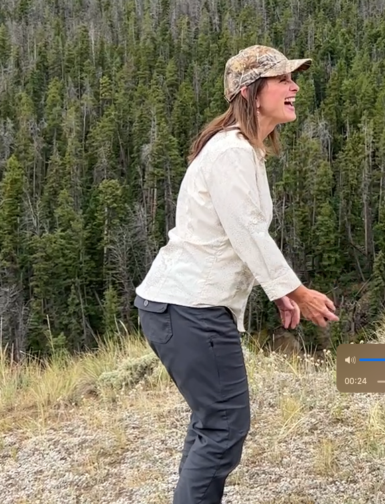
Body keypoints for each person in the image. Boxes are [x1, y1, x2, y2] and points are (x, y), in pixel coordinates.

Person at [133, 45, 340, 504]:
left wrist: (277, 294)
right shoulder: (231, 152)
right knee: (224, 425)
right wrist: (295, 291)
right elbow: (247, 232)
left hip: (183, 308)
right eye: (283, 79)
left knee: (214, 423)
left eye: (293, 78)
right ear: (251, 92)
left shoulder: (244, 150)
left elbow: (235, 234)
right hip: (189, 310)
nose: (295, 87)